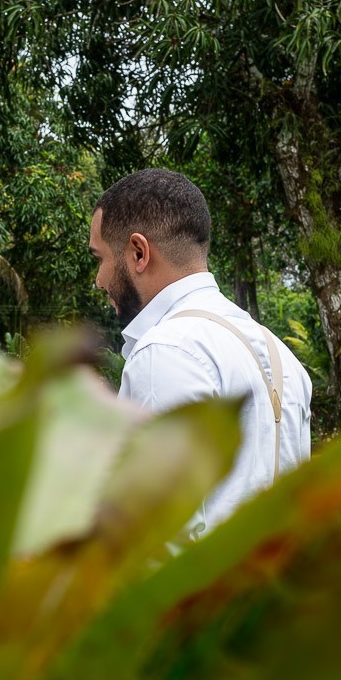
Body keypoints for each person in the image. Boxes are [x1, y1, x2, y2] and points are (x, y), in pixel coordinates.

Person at [88, 168, 312, 541]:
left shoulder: (165, 352)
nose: (99, 279)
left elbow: (156, 540)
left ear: (139, 253)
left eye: (100, 258)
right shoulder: (280, 353)